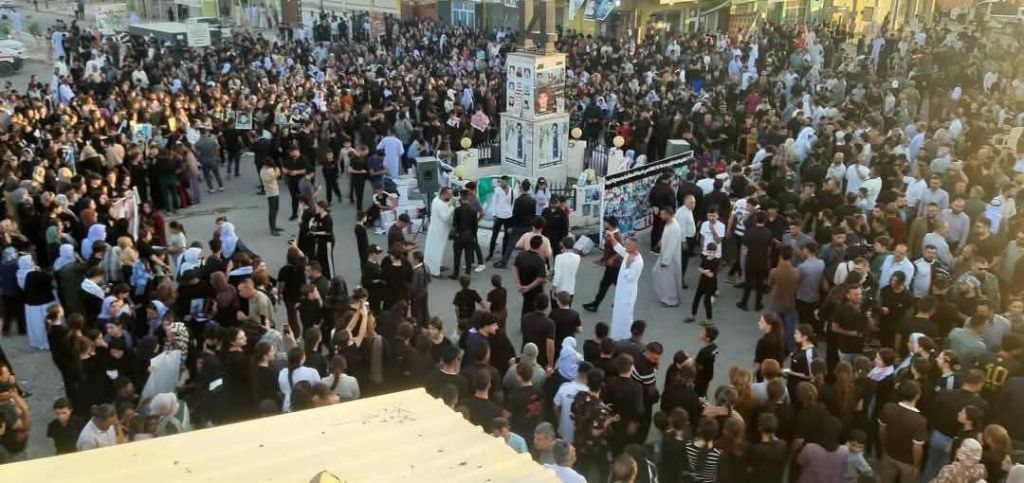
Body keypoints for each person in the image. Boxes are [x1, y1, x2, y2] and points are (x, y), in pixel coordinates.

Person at [877, 380, 927, 482]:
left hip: (889, 454)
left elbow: (882, 430)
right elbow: (917, 448)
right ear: (917, 396)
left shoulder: (888, 407)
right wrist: (917, 466)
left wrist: (884, 445)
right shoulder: (920, 421)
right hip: (907, 462)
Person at [582, 216, 624, 313]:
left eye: (606, 222)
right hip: (610, 266)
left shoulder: (617, 236)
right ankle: (595, 304)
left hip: (614, 266)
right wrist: (604, 258)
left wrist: (612, 259)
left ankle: (599, 304)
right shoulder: (610, 233)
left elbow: (621, 251)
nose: (605, 224)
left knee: (615, 285)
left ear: (610, 224)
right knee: (605, 285)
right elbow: (608, 249)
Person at [608, 236, 643, 340]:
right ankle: (615, 336)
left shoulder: (638, 262)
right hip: (621, 291)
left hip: (627, 294)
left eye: (627, 245)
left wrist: (627, 266)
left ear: (634, 247)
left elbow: (630, 278)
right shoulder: (628, 253)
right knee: (617, 314)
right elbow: (619, 249)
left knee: (625, 316)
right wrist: (612, 239)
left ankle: (626, 337)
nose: (625, 246)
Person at [651, 206, 684, 307]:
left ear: (668, 215)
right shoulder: (669, 223)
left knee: (669, 280)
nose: (660, 216)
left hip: (669, 259)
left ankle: (671, 300)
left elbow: (671, 246)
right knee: (657, 273)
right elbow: (666, 237)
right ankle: (666, 297)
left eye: (662, 214)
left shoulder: (674, 227)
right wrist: (661, 242)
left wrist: (665, 261)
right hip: (664, 255)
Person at [686, 242, 720, 325]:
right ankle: (693, 315)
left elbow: (712, 275)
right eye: (710, 252)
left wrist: (704, 271)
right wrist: (705, 271)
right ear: (707, 251)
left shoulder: (716, 261)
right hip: (702, 282)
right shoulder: (704, 259)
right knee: (696, 299)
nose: (712, 254)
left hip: (710, 285)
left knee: (707, 301)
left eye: (714, 252)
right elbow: (699, 268)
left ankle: (709, 320)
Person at [424, 187, 454, 276]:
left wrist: (450, 203)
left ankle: (437, 265)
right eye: (449, 194)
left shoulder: (437, 199)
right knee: (436, 250)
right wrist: (452, 207)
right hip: (438, 231)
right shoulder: (439, 204)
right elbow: (445, 217)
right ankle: (435, 271)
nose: (451, 196)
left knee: (438, 249)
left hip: (438, 230)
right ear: (443, 194)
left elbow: (446, 204)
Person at [551, 237, 580, 303]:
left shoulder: (559, 257)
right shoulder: (577, 257)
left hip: (560, 289)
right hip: (570, 289)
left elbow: (557, 275)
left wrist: (553, 289)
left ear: (563, 245)